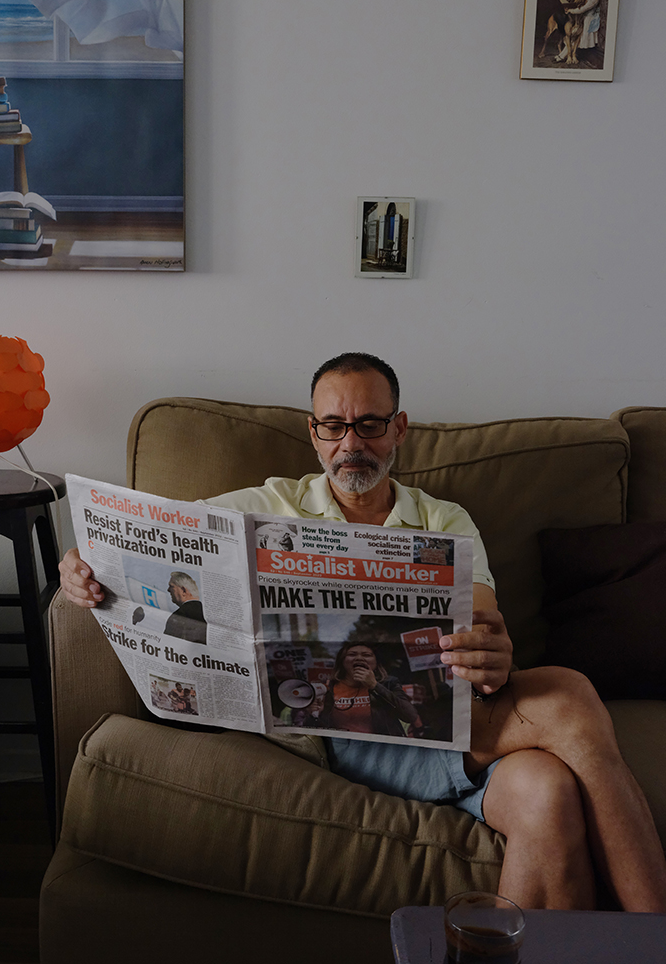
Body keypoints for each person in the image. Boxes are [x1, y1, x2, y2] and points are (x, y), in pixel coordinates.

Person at [59, 352, 666, 912]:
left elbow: (480, 621)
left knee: (547, 792)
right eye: (334, 426)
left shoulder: (443, 521)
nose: (352, 443)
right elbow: (149, 539)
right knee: (569, 694)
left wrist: (489, 651)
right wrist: (80, 572)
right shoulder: (264, 505)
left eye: (370, 425)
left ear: (399, 429)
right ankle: (654, 934)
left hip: (431, 723)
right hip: (335, 730)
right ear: (313, 432)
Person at [313, 642, 424, 738]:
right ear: (342, 662)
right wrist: (314, 713)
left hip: (380, 750)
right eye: (352, 654)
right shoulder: (329, 688)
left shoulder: (389, 683)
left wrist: (375, 686)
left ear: (376, 663)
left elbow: (410, 716)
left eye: (367, 655)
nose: (359, 658)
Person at [164, 571, 206, 644]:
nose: (168, 590)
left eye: (171, 586)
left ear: (183, 591)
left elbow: (168, 644)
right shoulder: (207, 613)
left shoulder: (178, 616)